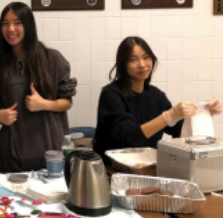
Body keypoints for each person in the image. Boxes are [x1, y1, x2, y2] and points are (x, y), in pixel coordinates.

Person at [93, 36, 222, 165]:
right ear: (123, 64)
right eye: (133, 59)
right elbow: (128, 137)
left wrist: (203, 111)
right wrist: (168, 116)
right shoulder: (111, 94)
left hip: (149, 167)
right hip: (113, 169)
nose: (142, 65)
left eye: (146, 57)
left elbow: (179, 131)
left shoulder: (156, 95)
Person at [0, 2, 77, 172]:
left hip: (50, 157)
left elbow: (67, 102)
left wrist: (44, 104)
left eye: (17, 23)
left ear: (28, 25)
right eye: (5, 24)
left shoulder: (52, 59)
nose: (11, 29)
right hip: (11, 158)